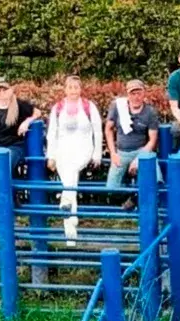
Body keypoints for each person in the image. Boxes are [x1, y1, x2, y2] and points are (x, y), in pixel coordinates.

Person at [46, 76, 104, 247]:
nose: (73, 90)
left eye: (76, 87)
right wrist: (51, 156)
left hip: (83, 150)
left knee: (70, 175)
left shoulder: (89, 106)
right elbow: (52, 133)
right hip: (62, 151)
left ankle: (66, 204)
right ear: (65, 89)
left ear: (80, 89)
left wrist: (97, 154)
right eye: (70, 87)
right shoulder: (57, 108)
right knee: (70, 182)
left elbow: (98, 131)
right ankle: (71, 229)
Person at [105, 79, 162, 211]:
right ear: (127, 94)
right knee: (111, 190)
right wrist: (113, 153)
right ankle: (129, 200)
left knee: (156, 179)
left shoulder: (150, 112)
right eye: (132, 93)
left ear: (144, 93)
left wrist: (139, 159)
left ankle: (136, 199)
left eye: (139, 93)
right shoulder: (117, 107)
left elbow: (153, 139)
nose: (136, 97)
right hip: (121, 152)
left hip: (142, 150)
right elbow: (108, 129)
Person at [0, 76, 42, 180]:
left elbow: (37, 112)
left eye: (5, 89)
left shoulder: (20, 105)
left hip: (14, 145)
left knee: (1, 172)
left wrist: (26, 122)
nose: (2, 93)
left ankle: (12, 187)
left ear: (11, 89)